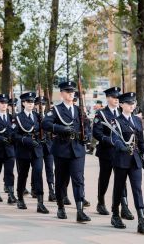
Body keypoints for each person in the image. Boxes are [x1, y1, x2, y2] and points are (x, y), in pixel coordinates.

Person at [42, 81, 91, 223]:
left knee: (78, 180)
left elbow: (87, 125)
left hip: (77, 148)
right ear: (62, 93)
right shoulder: (56, 110)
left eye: (72, 91)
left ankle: (80, 210)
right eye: (68, 91)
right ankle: (60, 207)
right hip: (62, 149)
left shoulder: (79, 110)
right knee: (61, 180)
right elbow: (45, 124)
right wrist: (61, 128)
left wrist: (87, 134)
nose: (71, 93)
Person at [109, 92, 144, 234]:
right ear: (121, 104)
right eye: (128, 103)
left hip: (135, 160)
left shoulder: (137, 121)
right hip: (121, 159)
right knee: (119, 188)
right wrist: (122, 146)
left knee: (137, 189)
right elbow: (115, 138)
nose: (132, 105)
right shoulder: (116, 121)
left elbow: (140, 140)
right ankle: (115, 214)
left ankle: (141, 220)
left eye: (133, 103)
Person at [93, 86, 134, 220]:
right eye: (114, 97)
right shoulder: (101, 114)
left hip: (121, 153)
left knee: (122, 180)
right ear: (108, 98)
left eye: (118, 98)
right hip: (107, 151)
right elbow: (97, 133)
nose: (116, 100)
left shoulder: (123, 113)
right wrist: (110, 141)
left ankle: (124, 207)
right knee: (104, 179)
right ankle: (100, 202)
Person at [13, 92, 49, 213]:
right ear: (23, 103)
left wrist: (43, 137)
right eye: (28, 102)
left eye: (32, 102)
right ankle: (20, 198)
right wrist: (27, 140)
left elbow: (43, 129)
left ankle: (40, 202)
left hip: (37, 150)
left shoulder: (38, 116)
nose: (31, 104)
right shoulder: (17, 117)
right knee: (23, 175)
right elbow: (14, 135)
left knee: (38, 174)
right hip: (23, 150)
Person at [34, 96, 56, 202]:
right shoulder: (33, 116)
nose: (41, 106)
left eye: (43, 104)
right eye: (38, 104)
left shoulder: (49, 115)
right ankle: (36, 189)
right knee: (37, 169)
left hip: (48, 146)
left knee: (50, 169)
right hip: (37, 146)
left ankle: (51, 191)